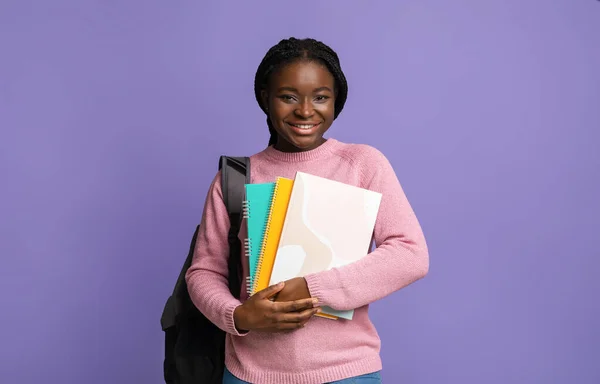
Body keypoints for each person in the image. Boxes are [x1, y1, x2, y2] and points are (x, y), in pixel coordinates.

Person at [185, 37, 429, 384]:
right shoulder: (236, 178)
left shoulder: (362, 164)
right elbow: (203, 272)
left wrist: (311, 286)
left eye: (320, 97)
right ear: (265, 98)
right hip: (249, 374)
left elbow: (410, 254)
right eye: (288, 96)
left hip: (346, 373)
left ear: (336, 101)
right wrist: (239, 315)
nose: (305, 110)